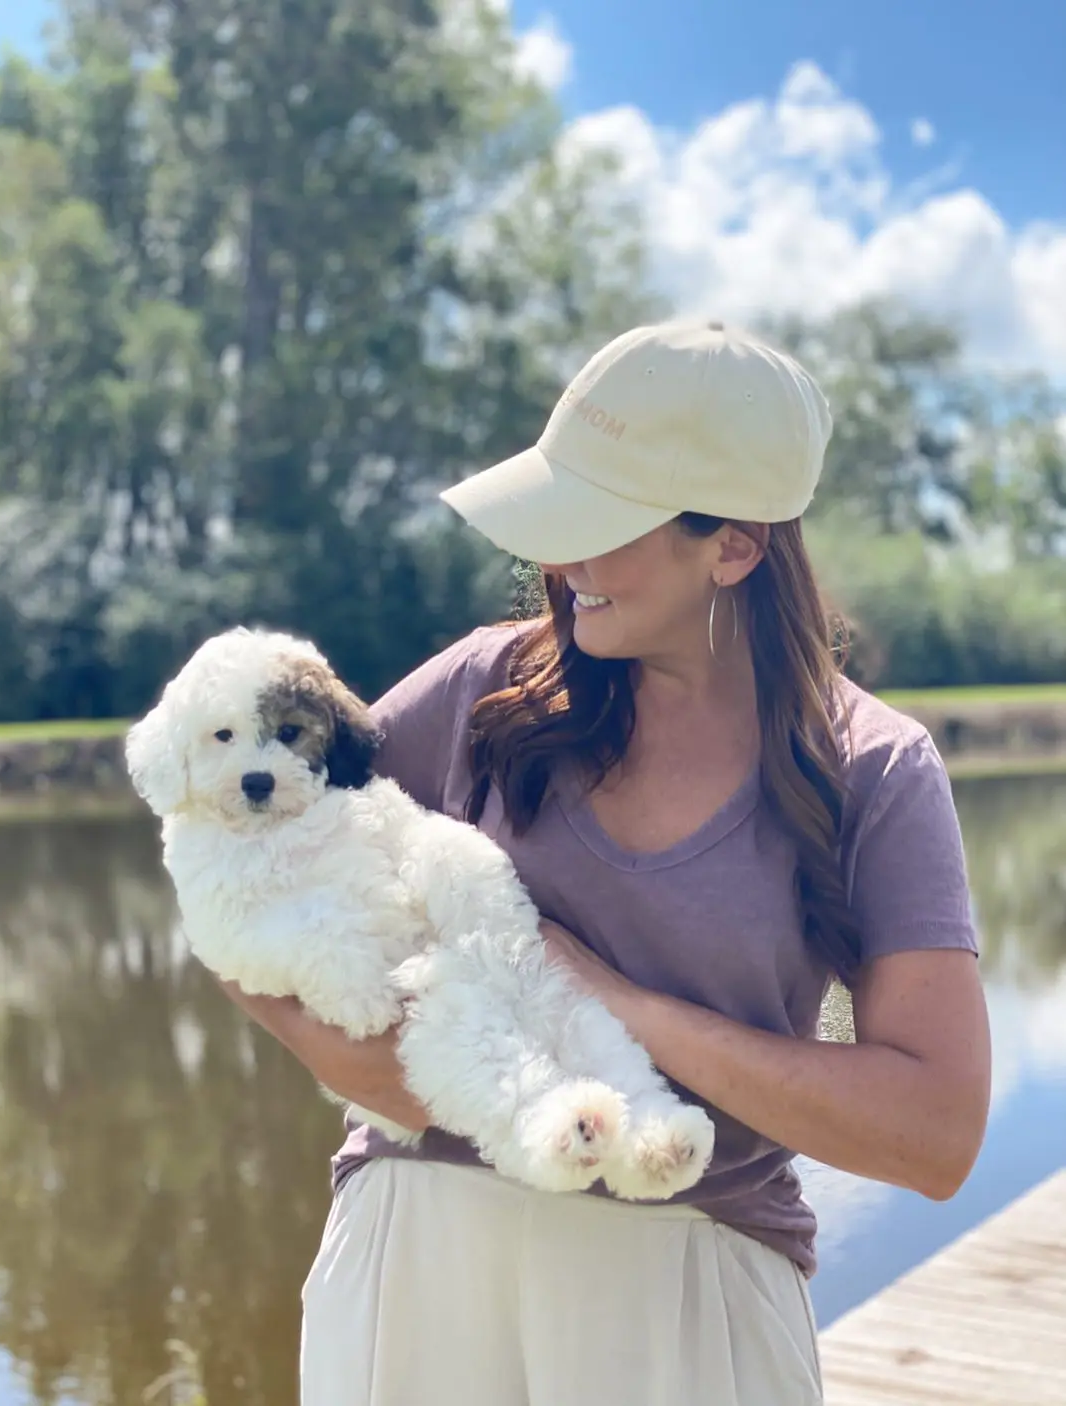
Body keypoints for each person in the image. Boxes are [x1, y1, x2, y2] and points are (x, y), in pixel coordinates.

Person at [220, 320, 991, 1405]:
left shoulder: (875, 769)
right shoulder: (478, 694)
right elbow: (234, 858)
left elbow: (935, 1134)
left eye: (597, 525)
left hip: (691, 1299)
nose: (559, 562)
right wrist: (391, 1070)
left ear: (733, 545)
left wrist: (622, 1006)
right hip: (414, 1274)